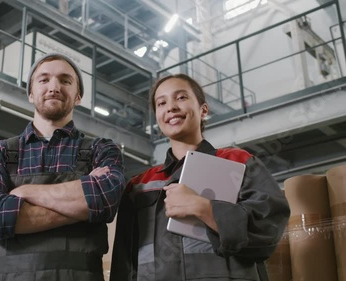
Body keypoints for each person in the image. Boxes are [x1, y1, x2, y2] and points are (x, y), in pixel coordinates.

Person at [110, 73, 290, 281]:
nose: (171, 107)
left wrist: (204, 208)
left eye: (181, 98)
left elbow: (268, 229)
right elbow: (124, 262)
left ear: (203, 109)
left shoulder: (237, 162)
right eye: (161, 103)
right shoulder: (139, 185)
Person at [0, 53, 126, 281]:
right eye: (44, 80)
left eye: (65, 80)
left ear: (79, 96)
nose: (54, 87)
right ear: (31, 94)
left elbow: (106, 200)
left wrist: (26, 193)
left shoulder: (101, 149)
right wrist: (84, 205)